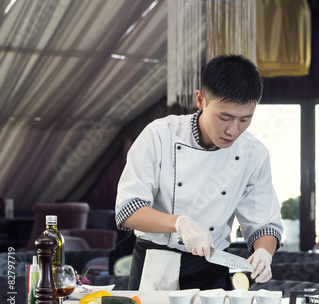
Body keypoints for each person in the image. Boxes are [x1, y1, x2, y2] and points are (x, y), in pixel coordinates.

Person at [115, 54, 283, 291]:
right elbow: (127, 210)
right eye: (224, 117)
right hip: (156, 264)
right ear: (200, 99)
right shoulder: (160, 135)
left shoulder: (253, 153)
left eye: (245, 119)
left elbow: (263, 224)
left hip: (214, 266)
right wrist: (180, 223)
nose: (233, 130)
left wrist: (264, 253)